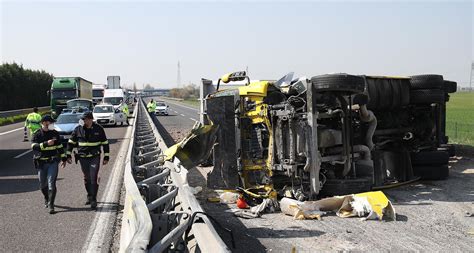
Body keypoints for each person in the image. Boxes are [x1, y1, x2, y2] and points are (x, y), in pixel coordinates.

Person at [66, 112, 109, 210]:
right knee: (87, 178)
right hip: (82, 158)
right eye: (83, 119)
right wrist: (68, 154)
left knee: (93, 177)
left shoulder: (99, 129)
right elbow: (71, 142)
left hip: (94, 157)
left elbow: (105, 143)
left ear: (91, 119)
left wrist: (106, 156)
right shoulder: (78, 129)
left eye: (85, 119)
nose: (84, 121)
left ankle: (93, 199)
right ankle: (89, 195)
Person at [31, 115, 67, 214]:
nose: (51, 124)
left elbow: (60, 146)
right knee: (43, 184)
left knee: (51, 183)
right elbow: (34, 146)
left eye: (51, 122)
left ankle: (51, 205)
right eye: (49, 122)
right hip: (41, 163)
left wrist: (64, 158)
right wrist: (46, 143)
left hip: (53, 162)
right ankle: (47, 198)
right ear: (43, 123)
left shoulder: (55, 133)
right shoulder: (37, 134)